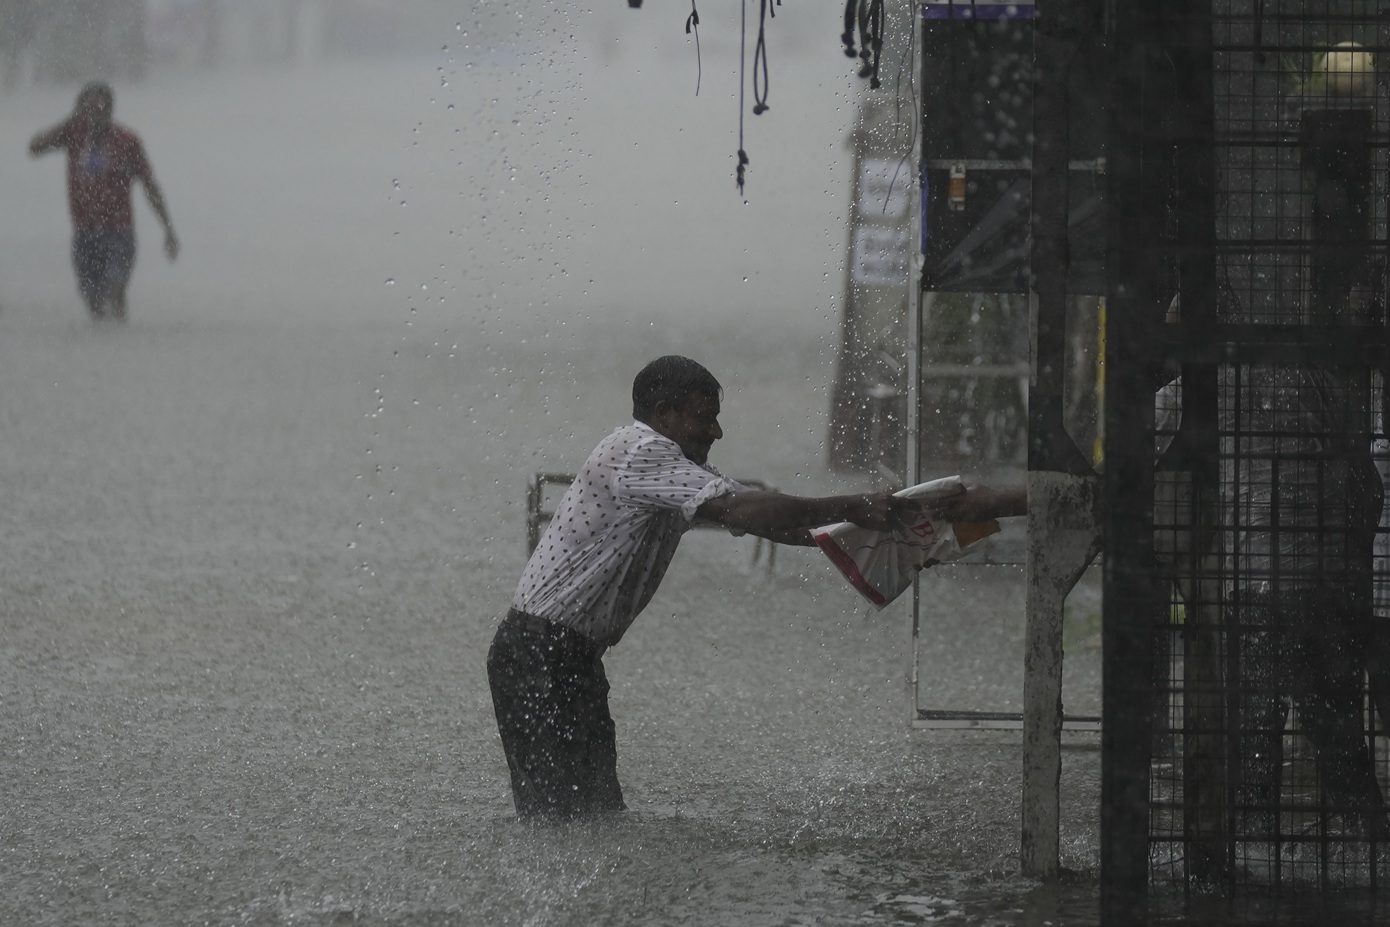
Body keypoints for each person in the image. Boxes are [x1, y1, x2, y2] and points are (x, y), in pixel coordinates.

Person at [486, 356, 1027, 820]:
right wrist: (851, 505)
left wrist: (898, 537)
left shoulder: (673, 469)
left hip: (570, 658)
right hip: (538, 655)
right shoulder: (639, 451)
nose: (716, 432)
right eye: (704, 418)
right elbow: (744, 509)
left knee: (596, 816)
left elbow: (778, 524)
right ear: (663, 415)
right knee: (555, 823)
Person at [29, 80, 178, 320]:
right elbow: (35, 148)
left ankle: (121, 346)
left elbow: (150, 186)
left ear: (111, 108)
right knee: (94, 302)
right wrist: (70, 118)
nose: (95, 112)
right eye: (89, 107)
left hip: (119, 232)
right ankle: (103, 350)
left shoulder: (127, 141)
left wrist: (168, 228)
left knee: (115, 289)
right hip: (84, 234)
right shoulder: (74, 134)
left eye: (100, 106)